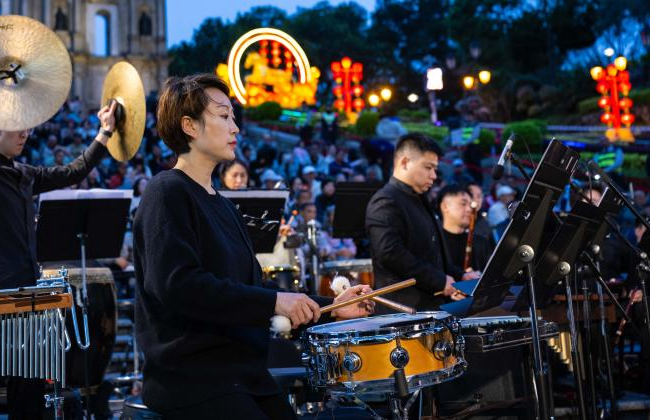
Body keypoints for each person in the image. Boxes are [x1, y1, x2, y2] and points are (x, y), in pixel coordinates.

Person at [133, 74, 373, 419]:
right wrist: (276, 301)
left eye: (233, 117)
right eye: (223, 116)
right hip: (192, 380)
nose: (235, 128)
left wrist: (332, 308)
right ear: (189, 125)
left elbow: (252, 289)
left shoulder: (225, 205)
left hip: (243, 375)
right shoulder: (166, 191)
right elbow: (177, 285)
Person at [0, 101, 118, 419]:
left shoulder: (26, 174)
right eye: (17, 127)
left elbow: (74, 171)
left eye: (27, 127)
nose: (25, 133)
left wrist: (105, 132)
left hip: (29, 298)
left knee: (28, 398)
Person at [366, 133, 473, 312]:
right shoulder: (385, 201)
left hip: (428, 308)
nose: (434, 175)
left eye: (435, 169)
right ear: (405, 162)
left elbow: (431, 256)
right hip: (402, 313)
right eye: (428, 167)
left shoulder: (419, 198)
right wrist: (439, 281)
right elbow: (390, 253)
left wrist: (461, 276)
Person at [438, 184, 490, 273]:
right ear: (445, 207)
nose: (469, 209)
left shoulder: (480, 243)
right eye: (463, 204)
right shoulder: (434, 242)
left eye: (470, 205)